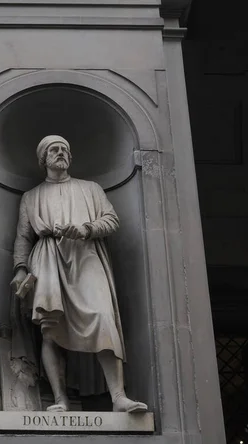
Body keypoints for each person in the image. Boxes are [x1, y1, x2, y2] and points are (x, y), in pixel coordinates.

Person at [11, 135, 147, 413]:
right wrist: (20, 269)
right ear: (43, 159)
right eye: (54, 149)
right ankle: (61, 399)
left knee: (103, 318)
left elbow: (111, 219)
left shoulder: (91, 189)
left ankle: (118, 397)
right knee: (50, 329)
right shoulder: (31, 196)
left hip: (85, 256)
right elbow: (23, 237)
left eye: (65, 149)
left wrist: (85, 229)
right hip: (47, 258)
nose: (61, 153)